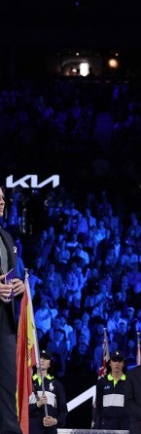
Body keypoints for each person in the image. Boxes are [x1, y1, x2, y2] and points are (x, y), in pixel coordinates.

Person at [1, 185, 25, 434]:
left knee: (8, 385)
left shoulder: (6, 237)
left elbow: (10, 275)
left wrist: (18, 285)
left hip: (5, 321)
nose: (1, 202)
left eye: (3, 199)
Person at [28, 350, 67, 434]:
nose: (42, 360)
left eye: (45, 358)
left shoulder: (57, 385)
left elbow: (63, 411)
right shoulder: (27, 383)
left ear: (50, 363)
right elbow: (20, 408)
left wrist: (55, 421)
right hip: (30, 428)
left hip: (49, 430)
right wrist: (37, 404)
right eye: (39, 357)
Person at [94, 350, 129, 430]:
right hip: (107, 424)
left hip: (125, 424)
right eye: (114, 360)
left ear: (123, 363)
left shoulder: (130, 382)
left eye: (120, 361)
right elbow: (99, 405)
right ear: (109, 363)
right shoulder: (101, 382)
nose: (117, 363)